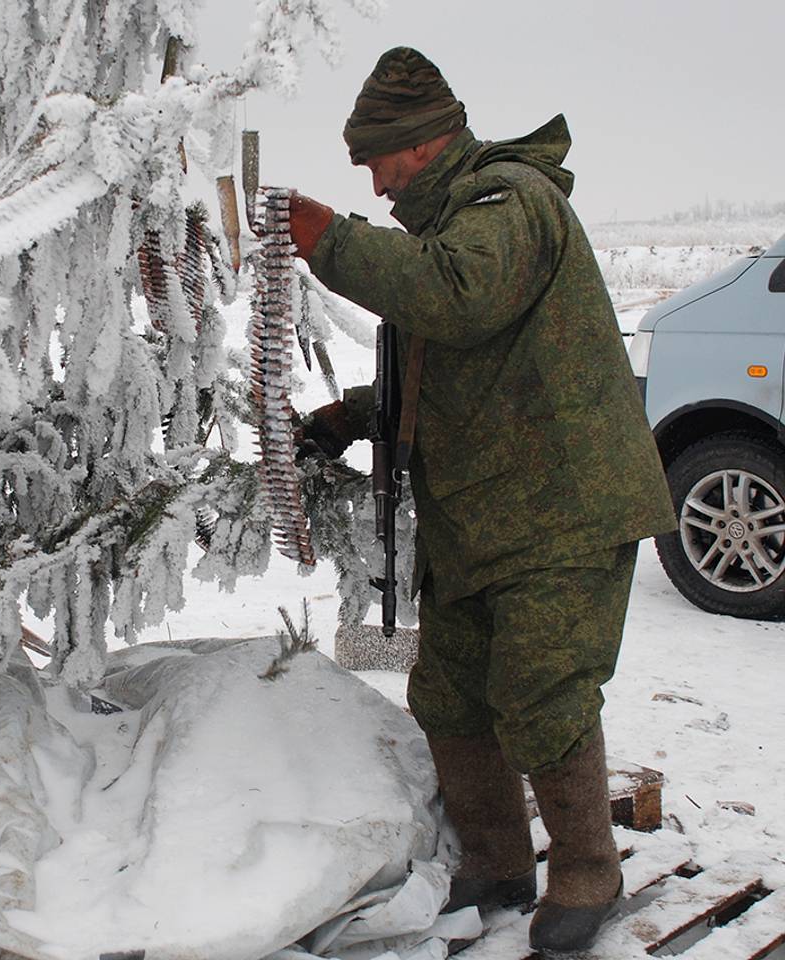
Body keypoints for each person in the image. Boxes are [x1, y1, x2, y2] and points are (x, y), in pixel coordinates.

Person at [289, 47, 676, 953]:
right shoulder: (449, 228)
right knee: (452, 694)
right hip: (483, 515)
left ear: (421, 145)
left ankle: (588, 872)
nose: (375, 187)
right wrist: (350, 417)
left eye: (377, 162)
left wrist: (332, 243)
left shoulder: (511, 203)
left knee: (542, 690)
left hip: (562, 506)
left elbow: (459, 299)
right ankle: (501, 862)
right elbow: (440, 358)